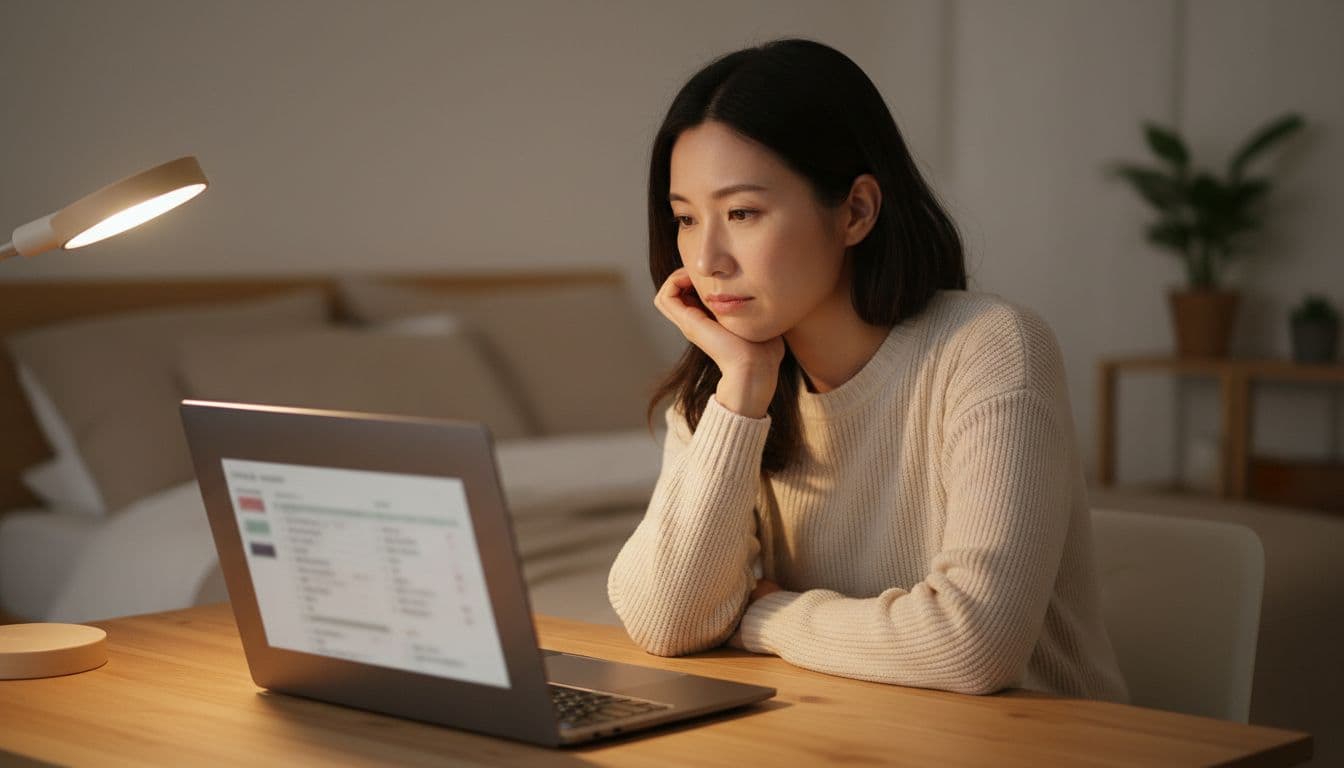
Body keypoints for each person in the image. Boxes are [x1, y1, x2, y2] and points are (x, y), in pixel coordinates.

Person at [606, 38, 1128, 702]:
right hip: (859, 739)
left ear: (855, 210)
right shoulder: (727, 388)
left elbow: (974, 646)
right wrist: (741, 393)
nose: (706, 258)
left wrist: (764, 613)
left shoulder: (990, 346)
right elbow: (667, 622)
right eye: (685, 218)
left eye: (742, 213)